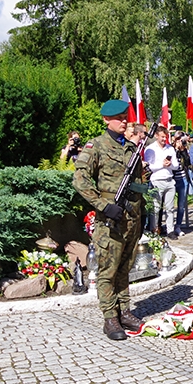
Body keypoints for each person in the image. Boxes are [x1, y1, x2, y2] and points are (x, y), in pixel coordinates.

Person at [72, 100, 146, 341]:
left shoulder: (130, 147)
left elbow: (138, 180)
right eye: (118, 118)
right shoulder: (97, 147)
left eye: (125, 117)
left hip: (131, 217)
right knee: (108, 269)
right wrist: (104, 206)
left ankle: (124, 311)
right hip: (110, 218)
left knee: (126, 265)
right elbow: (80, 181)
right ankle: (110, 318)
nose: (124, 121)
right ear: (106, 120)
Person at [143, 125, 177, 237]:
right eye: (162, 137)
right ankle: (154, 229)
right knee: (156, 208)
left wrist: (170, 164)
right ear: (156, 136)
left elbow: (176, 166)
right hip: (157, 181)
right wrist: (162, 164)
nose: (164, 139)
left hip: (169, 180)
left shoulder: (170, 148)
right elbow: (150, 167)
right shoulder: (150, 149)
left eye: (165, 137)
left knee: (170, 208)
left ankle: (170, 229)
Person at [171, 131, 192, 236]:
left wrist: (183, 150)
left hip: (183, 178)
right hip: (173, 179)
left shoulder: (184, 150)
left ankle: (178, 225)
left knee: (181, 205)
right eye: (179, 140)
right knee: (169, 204)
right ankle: (168, 225)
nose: (181, 142)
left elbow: (188, 162)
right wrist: (176, 150)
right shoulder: (170, 149)